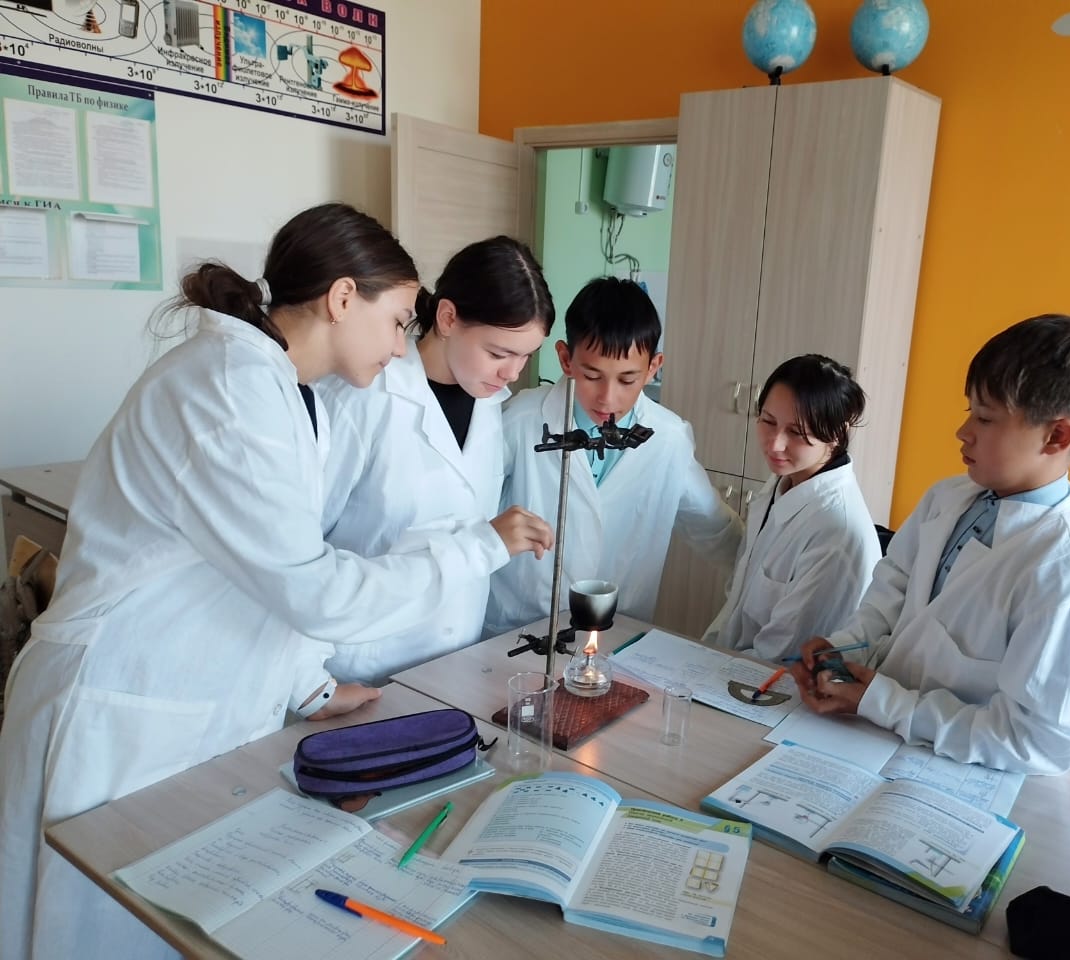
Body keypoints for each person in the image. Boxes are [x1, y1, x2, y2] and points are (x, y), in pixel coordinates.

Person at [0, 204, 530, 960]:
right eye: (397, 320)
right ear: (342, 299)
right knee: (88, 931)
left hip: (189, 702)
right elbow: (313, 589)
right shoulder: (228, 387)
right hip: (120, 706)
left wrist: (306, 684)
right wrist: (478, 548)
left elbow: (263, 568)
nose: (400, 344)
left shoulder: (283, 390)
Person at [789, 314, 1070, 776]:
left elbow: (1037, 743)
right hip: (872, 740)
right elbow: (891, 594)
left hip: (968, 775)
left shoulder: (1069, 576)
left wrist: (885, 703)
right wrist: (842, 654)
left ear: (1057, 436)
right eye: (970, 411)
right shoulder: (947, 499)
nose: (963, 431)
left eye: (985, 418)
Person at [316, 237, 555, 683]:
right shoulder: (361, 396)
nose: (512, 373)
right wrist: (310, 684)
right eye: (498, 353)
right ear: (447, 318)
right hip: (359, 667)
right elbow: (299, 559)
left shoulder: (488, 404)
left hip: (456, 658)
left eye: (525, 356)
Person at [485, 276, 743, 637]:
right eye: (592, 376)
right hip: (518, 626)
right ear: (566, 359)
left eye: (627, 380)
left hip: (616, 629)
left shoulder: (668, 438)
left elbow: (715, 529)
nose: (607, 398)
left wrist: (766, 586)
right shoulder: (521, 420)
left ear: (653, 367)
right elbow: (468, 512)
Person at [702, 354, 881, 662]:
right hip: (732, 663)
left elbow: (783, 657)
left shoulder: (836, 533)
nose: (775, 444)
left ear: (837, 434)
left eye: (796, 432)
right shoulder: (785, 481)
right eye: (768, 422)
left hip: (771, 680)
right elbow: (738, 604)